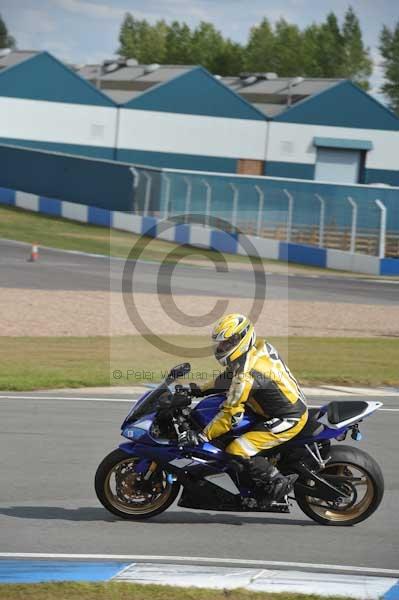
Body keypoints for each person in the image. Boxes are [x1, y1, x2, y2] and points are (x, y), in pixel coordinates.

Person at [189, 313, 308, 503]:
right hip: (274, 408)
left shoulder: (246, 375)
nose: (221, 348)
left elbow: (229, 415)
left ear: (240, 340)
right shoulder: (256, 350)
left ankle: (277, 483)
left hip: (289, 418)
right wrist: (198, 390)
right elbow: (227, 378)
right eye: (220, 344)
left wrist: (203, 436)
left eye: (226, 343)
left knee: (237, 449)